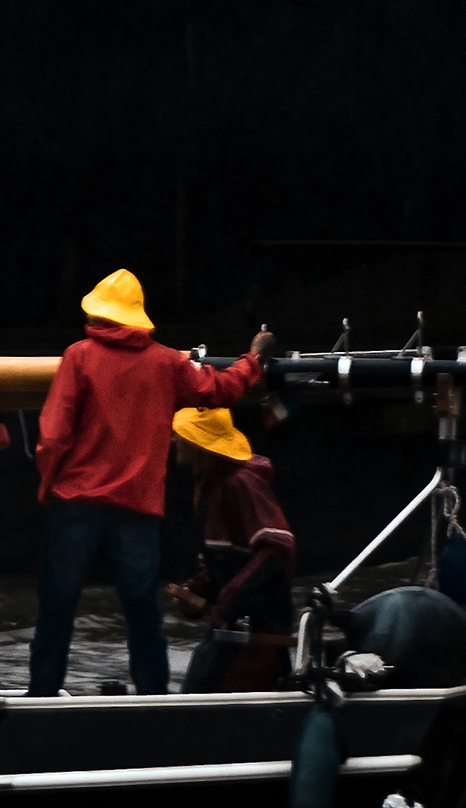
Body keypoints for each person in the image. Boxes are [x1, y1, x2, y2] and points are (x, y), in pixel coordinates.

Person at [27, 269, 268, 696]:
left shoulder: (78, 356)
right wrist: (254, 361)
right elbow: (221, 388)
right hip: (136, 510)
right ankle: (153, 696)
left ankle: (43, 695)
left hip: (75, 505)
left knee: (57, 609)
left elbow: (53, 436)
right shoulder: (168, 362)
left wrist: (49, 487)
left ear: (100, 314)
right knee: (142, 613)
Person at [169, 399, 299, 691]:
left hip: (256, 637)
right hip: (232, 633)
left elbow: (279, 549)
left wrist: (228, 602)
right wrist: (195, 591)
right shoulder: (210, 487)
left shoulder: (240, 483)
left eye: (182, 435)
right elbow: (225, 560)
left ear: (201, 446)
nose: (174, 439)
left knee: (204, 706)